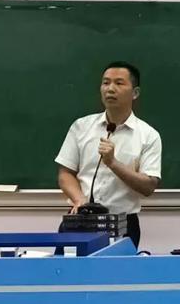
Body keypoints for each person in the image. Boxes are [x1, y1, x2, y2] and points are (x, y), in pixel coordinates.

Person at [55, 61, 162, 248]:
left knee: (117, 268)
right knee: (66, 267)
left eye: (119, 83)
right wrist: (79, 200)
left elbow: (148, 186)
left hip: (123, 224)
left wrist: (113, 163)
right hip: (80, 219)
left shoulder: (148, 135)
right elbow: (65, 173)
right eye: (106, 83)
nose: (110, 89)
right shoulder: (81, 127)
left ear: (135, 93)